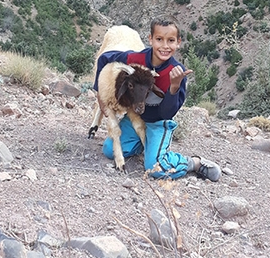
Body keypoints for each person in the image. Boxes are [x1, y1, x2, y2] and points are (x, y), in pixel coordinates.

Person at [93, 17, 221, 181]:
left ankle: (194, 163)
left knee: (155, 169)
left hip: (159, 123)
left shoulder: (176, 72)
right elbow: (105, 58)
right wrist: (99, 94)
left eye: (171, 40)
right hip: (136, 118)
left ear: (178, 42)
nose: (165, 46)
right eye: (159, 39)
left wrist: (174, 88)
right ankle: (143, 144)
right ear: (150, 39)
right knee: (109, 150)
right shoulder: (136, 59)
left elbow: (166, 113)